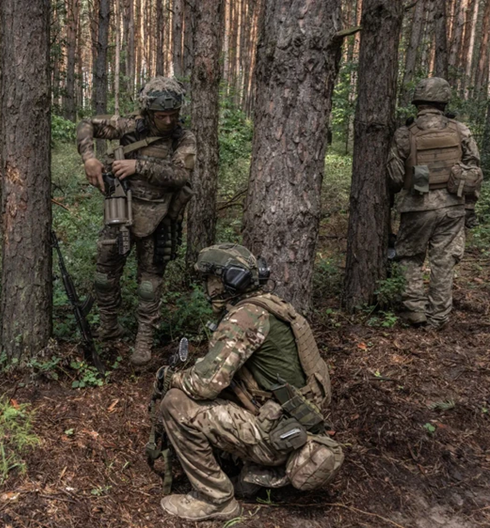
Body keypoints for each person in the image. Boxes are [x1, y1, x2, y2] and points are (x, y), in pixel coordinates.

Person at [156, 243, 341, 522]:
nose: (208, 287)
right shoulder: (272, 306)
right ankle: (253, 473)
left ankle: (215, 499)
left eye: (211, 279)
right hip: (294, 426)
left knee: (175, 403)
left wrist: (171, 378)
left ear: (227, 281)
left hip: (277, 437)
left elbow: (204, 385)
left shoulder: (246, 317)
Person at [76, 76, 196, 366]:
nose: (168, 121)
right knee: (104, 276)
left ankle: (144, 341)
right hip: (120, 211)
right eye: (161, 115)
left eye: (173, 114)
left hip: (159, 217)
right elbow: (86, 124)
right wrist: (89, 158)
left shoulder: (183, 138)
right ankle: (108, 328)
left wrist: (137, 166)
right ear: (148, 111)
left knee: (149, 285)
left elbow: (181, 175)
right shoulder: (129, 125)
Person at [387, 77, 483, 329]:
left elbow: (395, 177)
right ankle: (438, 317)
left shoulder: (405, 133)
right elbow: (474, 168)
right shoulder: (460, 130)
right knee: (444, 261)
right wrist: (469, 206)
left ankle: (415, 310)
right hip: (453, 206)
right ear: (443, 101)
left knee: (409, 257)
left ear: (418, 102)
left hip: (417, 206)